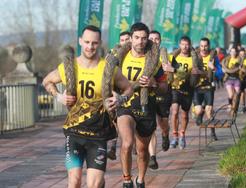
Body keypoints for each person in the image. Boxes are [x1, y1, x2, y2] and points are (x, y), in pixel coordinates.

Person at [42, 25, 133, 188]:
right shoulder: (69, 67)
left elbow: (129, 88)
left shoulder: (108, 68)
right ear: (80, 42)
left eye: (94, 43)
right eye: (87, 42)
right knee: (74, 180)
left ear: (100, 43)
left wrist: (120, 99)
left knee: (95, 184)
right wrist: (59, 96)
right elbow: (47, 81)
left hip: (98, 134)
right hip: (74, 131)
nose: (90, 47)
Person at [113, 22, 167, 187]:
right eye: (136, 38)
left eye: (144, 38)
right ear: (130, 38)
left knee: (142, 152)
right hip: (126, 105)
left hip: (146, 107)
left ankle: (141, 180)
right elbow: (109, 79)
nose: (140, 42)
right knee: (127, 143)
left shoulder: (154, 61)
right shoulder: (121, 58)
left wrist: (154, 83)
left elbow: (164, 88)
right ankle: (127, 179)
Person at [162, 36, 200, 150]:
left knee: (184, 114)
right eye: (183, 44)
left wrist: (197, 72)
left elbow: (202, 72)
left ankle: (182, 134)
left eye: (187, 44)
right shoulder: (173, 57)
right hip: (175, 88)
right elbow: (166, 68)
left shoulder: (195, 59)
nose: (185, 47)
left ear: (190, 45)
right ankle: (174, 136)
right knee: (174, 111)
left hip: (188, 89)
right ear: (179, 45)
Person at [148, 30, 171, 170]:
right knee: (151, 129)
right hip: (149, 97)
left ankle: (166, 135)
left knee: (163, 124)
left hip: (162, 95)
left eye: (157, 39)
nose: (154, 41)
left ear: (160, 41)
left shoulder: (165, 56)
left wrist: (171, 69)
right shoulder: (143, 56)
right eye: (152, 39)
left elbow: (171, 78)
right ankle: (152, 157)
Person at [107, 31, 131, 161]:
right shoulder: (112, 54)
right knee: (116, 119)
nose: (125, 42)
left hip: (134, 90)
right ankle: (112, 147)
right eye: (122, 40)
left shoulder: (137, 53)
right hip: (118, 90)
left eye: (127, 39)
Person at [194, 37, 218, 140]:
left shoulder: (213, 57)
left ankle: (212, 132)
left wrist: (213, 68)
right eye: (202, 46)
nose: (203, 48)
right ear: (199, 46)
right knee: (199, 110)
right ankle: (199, 114)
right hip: (197, 87)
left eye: (205, 46)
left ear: (209, 46)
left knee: (209, 110)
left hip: (208, 87)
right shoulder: (194, 57)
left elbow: (220, 72)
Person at [222, 47, 242, 113]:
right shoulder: (226, 59)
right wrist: (223, 70)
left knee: (237, 94)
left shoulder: (239, 60)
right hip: (228, 79)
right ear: (230, 52)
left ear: (236, 52)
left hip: (237, 79)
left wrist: (240, 69)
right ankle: (230, 106)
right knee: (231, 95)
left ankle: (236, 107)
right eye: (232, 51)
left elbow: (242, 68)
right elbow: (223, 66)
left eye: (234, 51)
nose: (233, 53)